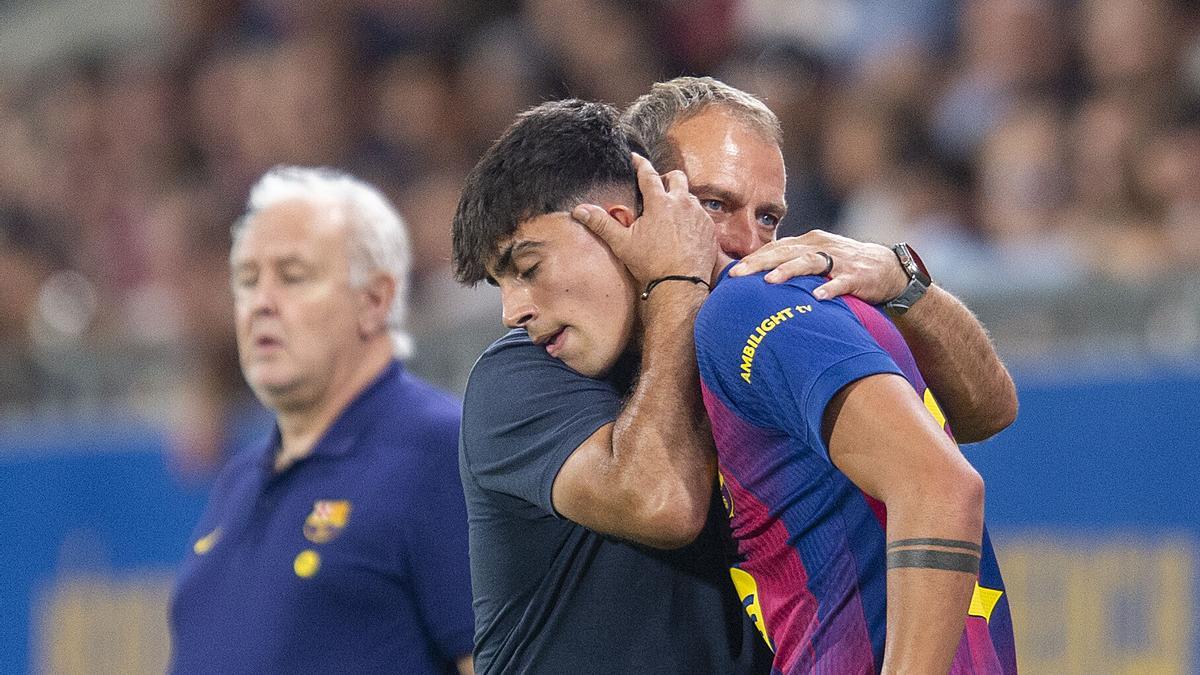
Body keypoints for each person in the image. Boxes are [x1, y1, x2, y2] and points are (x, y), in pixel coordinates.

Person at [451, 96, 1014, 672]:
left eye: (769, 217)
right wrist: (677, 282)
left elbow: (985, 414)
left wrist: (902, 279)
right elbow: (661, 499)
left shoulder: (764, 323)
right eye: (714, 205)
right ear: (644, 207)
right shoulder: (520, 377)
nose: (749, 242)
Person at [170, 166, 475, 674]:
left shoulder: (438, 451)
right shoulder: (240, 481)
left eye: (293, 276)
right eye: (247, 280)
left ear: (374, 301)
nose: (260, 303)